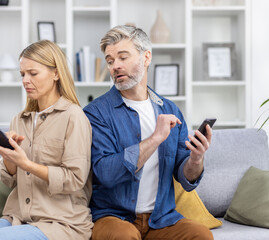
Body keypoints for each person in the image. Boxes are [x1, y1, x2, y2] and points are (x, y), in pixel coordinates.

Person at [83, 25, 214, 240]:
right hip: (114, 217)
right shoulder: (95, 113)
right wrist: (155, 139)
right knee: (124, 236)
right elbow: (105, 173)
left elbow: (185, 177)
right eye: (110, 60)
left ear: (146, 57)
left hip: (161, 219)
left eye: (123, 57)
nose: (115, 66)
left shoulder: (170, 109)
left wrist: (196, 159)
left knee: (201, 235)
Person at [0, 40, 93, 240]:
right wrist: (8, 156)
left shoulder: (74, 116)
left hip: (60, 221)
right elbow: (8, 180)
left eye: (33, 73)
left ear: (56, 73)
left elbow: (74, 179)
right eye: (22, 74)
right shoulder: (19, 119)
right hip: (19, 216)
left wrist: (27, 164)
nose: (25, 80)